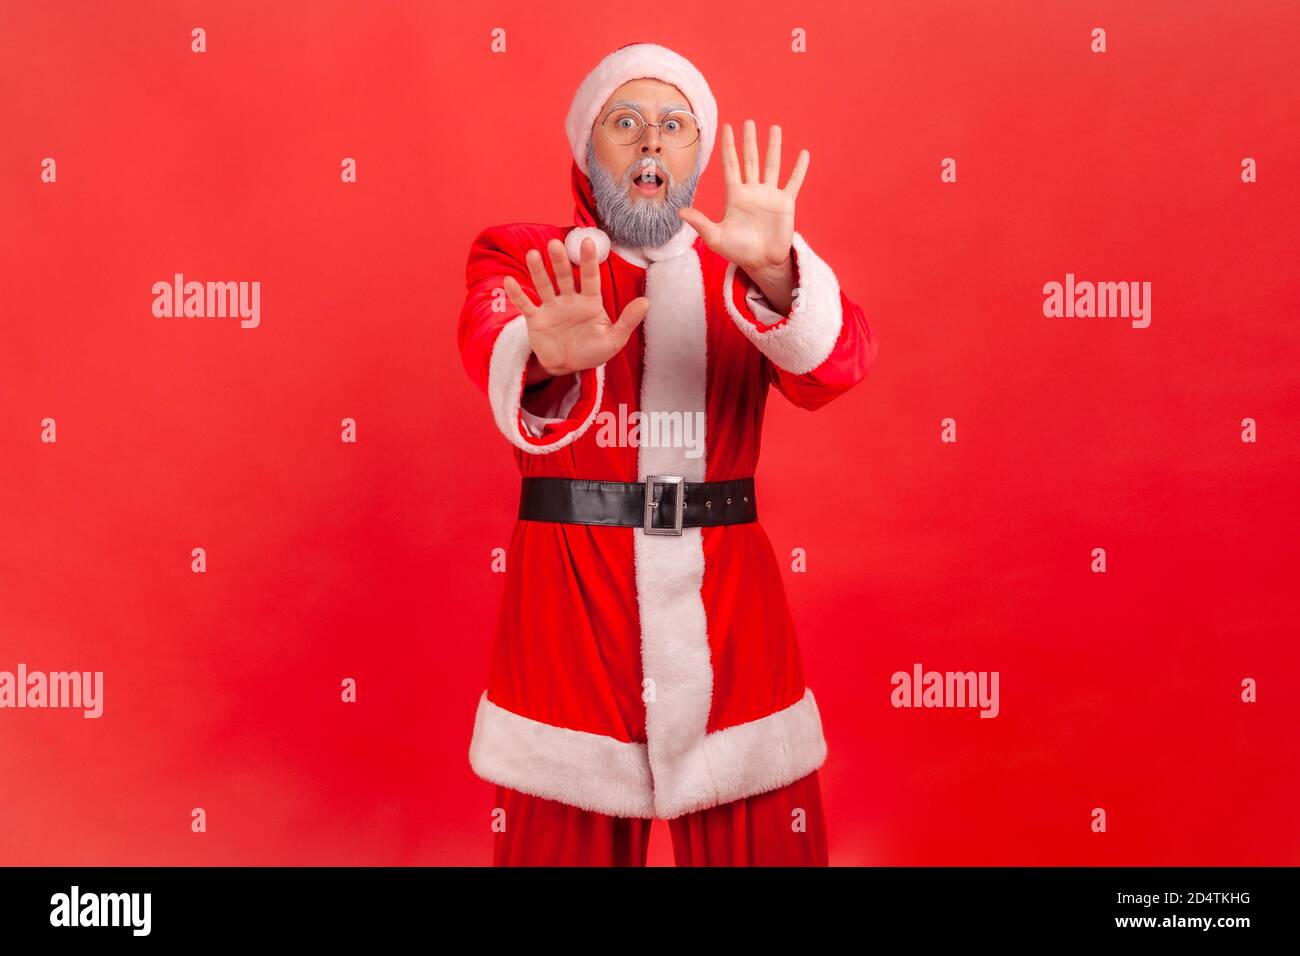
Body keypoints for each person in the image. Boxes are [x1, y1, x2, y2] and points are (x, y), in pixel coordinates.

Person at [456, 41, 879, 866]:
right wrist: (539, 354)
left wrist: (784, 280)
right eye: (626, 122)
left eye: (674, 125)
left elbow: (841, 362)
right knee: (556, 839)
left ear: (697, 154)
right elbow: (488, 338)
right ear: (587, 150)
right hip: (568, 607)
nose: (651, 143)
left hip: (731, 605)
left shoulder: (745, 269)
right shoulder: (524, 256)